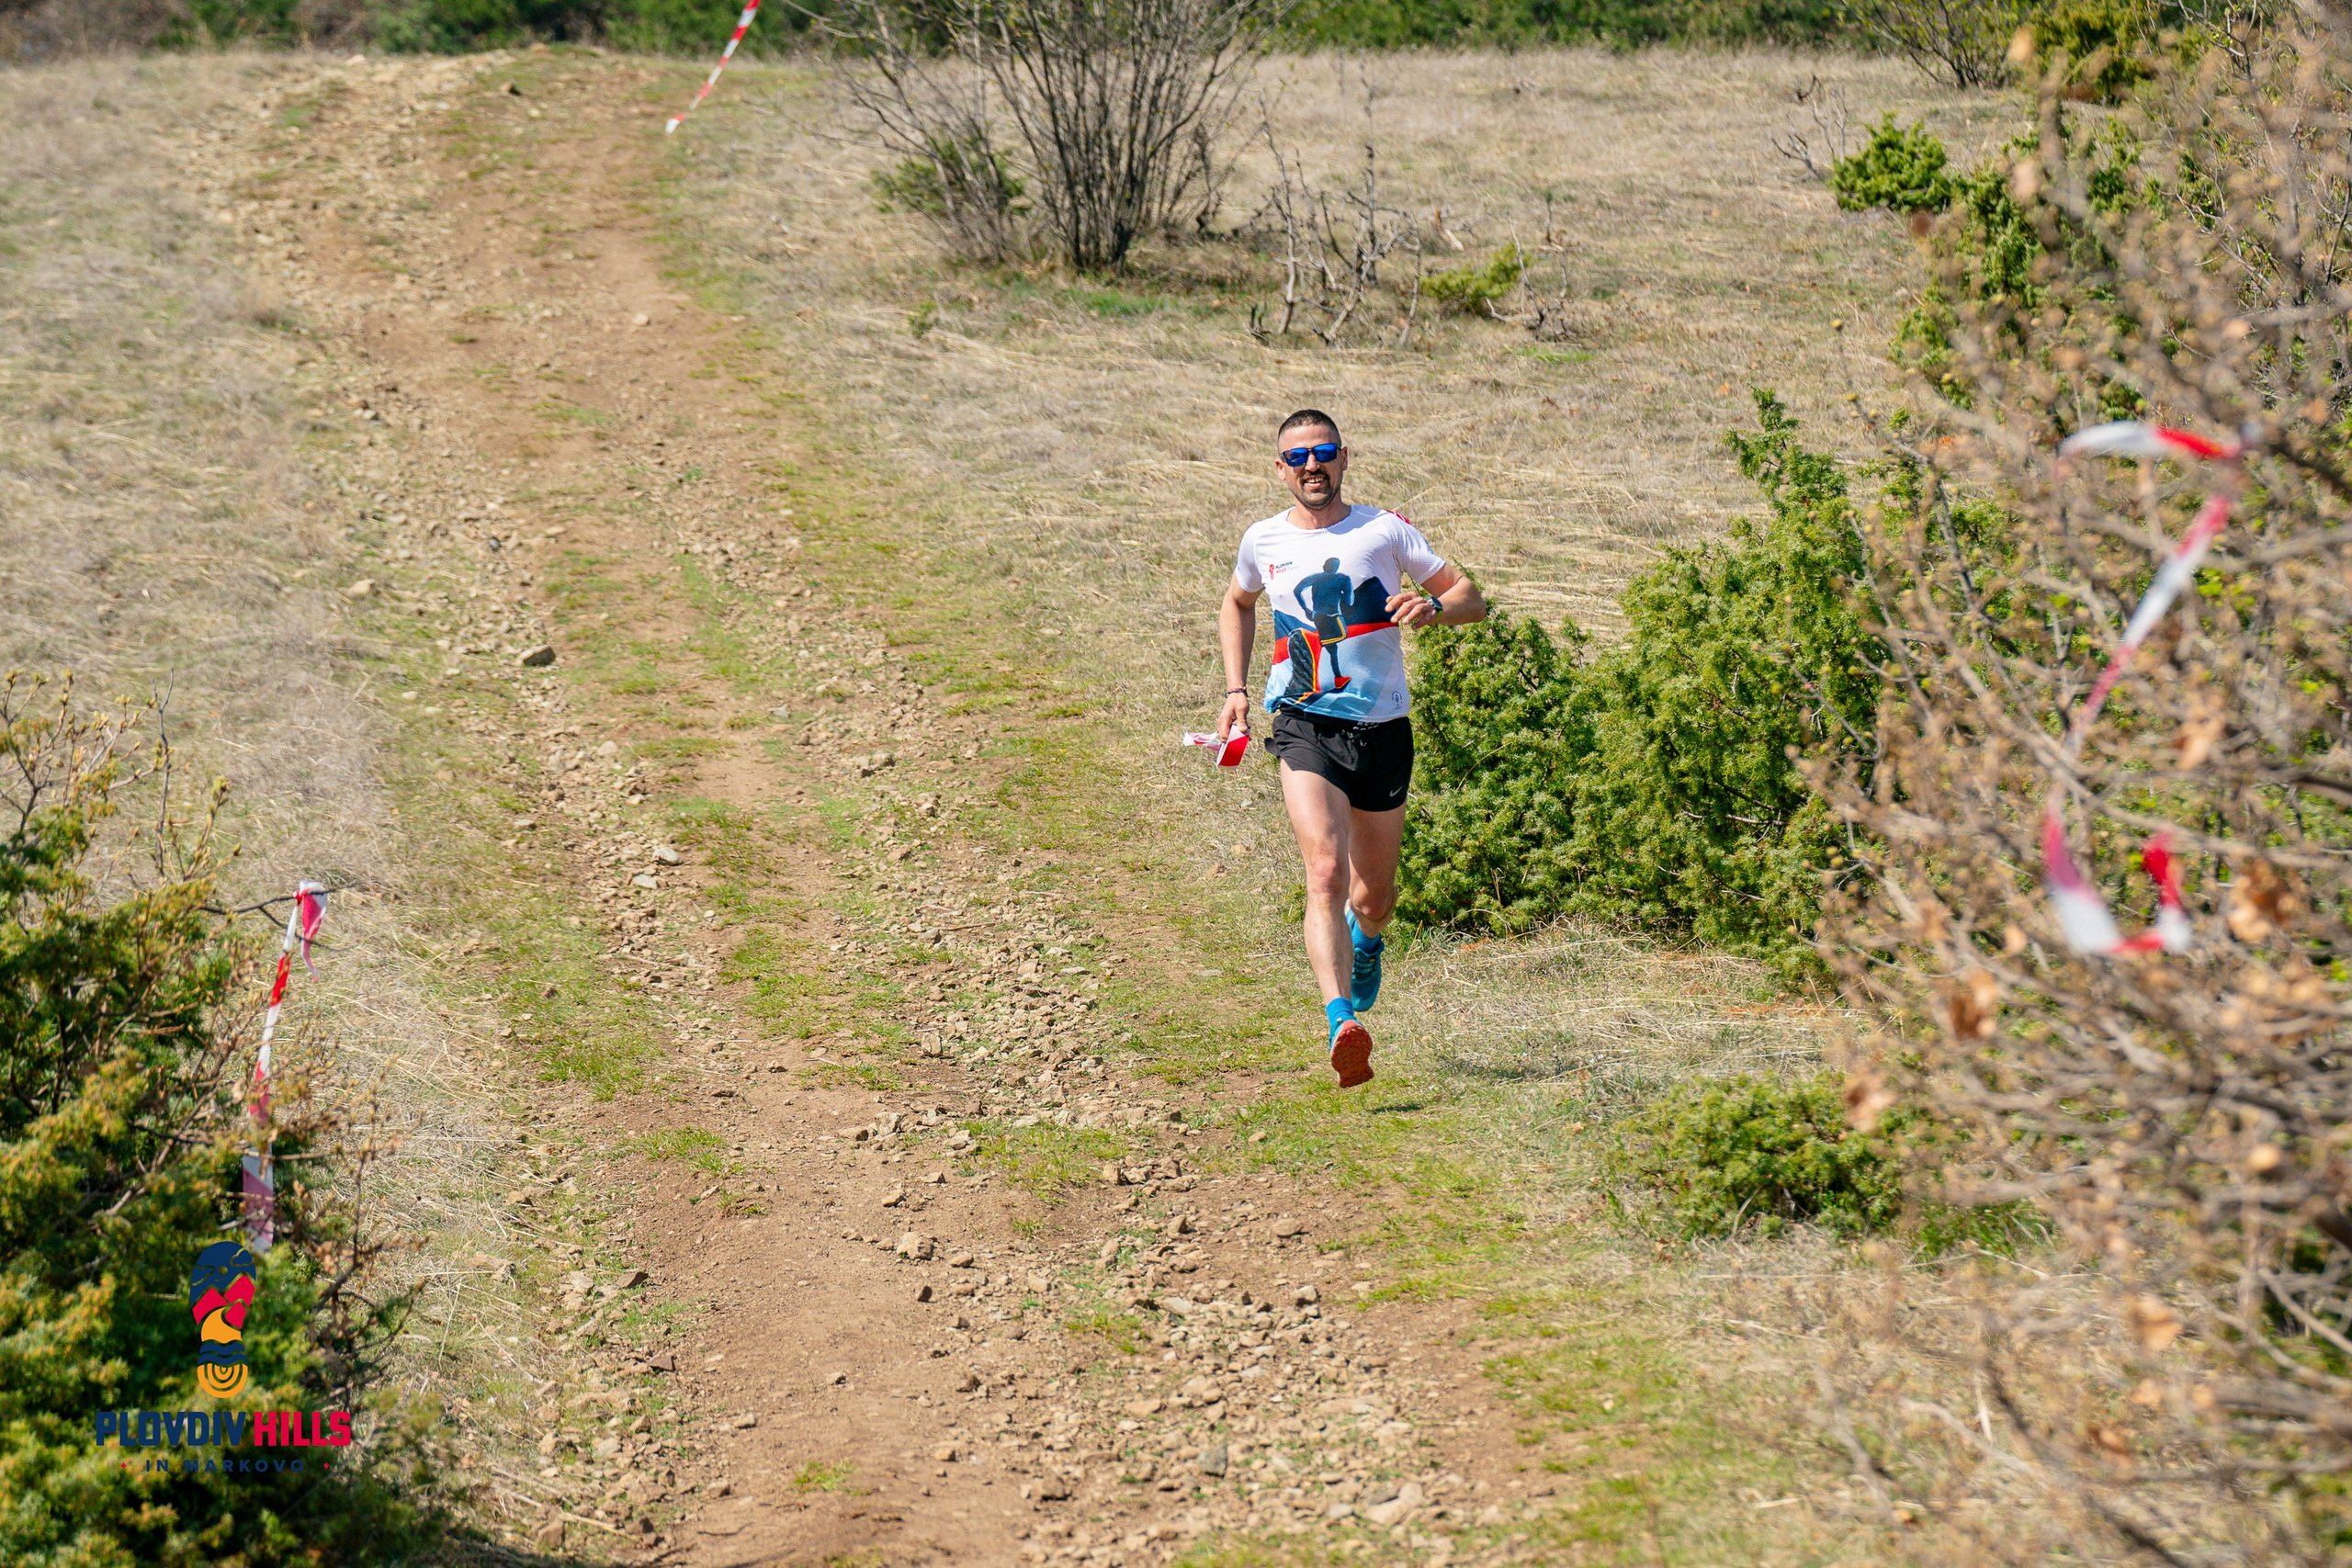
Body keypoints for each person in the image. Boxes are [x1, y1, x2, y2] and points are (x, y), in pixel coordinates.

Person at [1214, 410, 1487, 1089]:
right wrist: (1236, 687)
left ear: (1343, 458)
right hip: (1304, 724)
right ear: (1279, 469)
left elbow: (1469, 596)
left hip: (1384, 731)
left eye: (1324, 451)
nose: (1312, 465)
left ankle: (1368, 941)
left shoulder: (1383, 530)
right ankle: (1343, 1022)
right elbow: (1237, 602)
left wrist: (1435, 609)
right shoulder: (1263, 538)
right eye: (1297, 456)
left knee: (1373, 897)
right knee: (1326, 873)